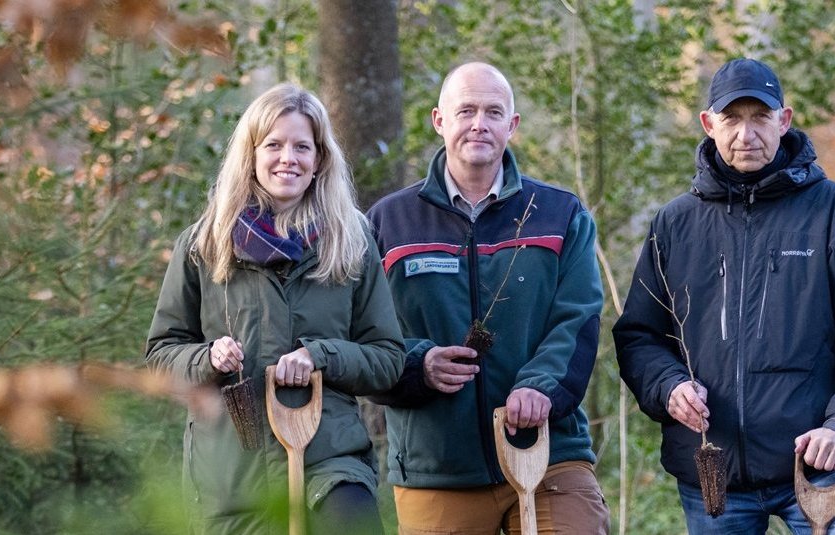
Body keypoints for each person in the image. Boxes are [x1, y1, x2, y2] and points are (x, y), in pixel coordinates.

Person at [613, 57, 835, 534]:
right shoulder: (675, 224)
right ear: (709, 125)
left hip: (817, 463)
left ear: (783, 121)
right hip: (714, 473)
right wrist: (669, 388)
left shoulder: (832, 210)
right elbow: (640, 335)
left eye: (760, 118)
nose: (746, 134)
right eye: (731, 119)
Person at [145, 83, 404, 534]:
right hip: (230, 478)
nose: (289, 158)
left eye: (302, 146)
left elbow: (387, 358)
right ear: (251, 153)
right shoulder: (203, 245)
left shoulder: (352, 242)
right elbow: (160, 357)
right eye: (274, 145)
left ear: (320, 158)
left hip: (331, 462)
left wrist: (320, 355)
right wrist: (206, 359)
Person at [366, 62, 608, 534]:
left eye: (494, 112)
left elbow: (578, 318)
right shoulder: (386, 223)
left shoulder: (559, 214)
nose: (479, 123)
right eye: (466, 111)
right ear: (439, 121)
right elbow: (363, 335)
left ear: (512, 126)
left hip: (548, 453)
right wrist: (419, 365)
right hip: (436, 466)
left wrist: (540, 386)